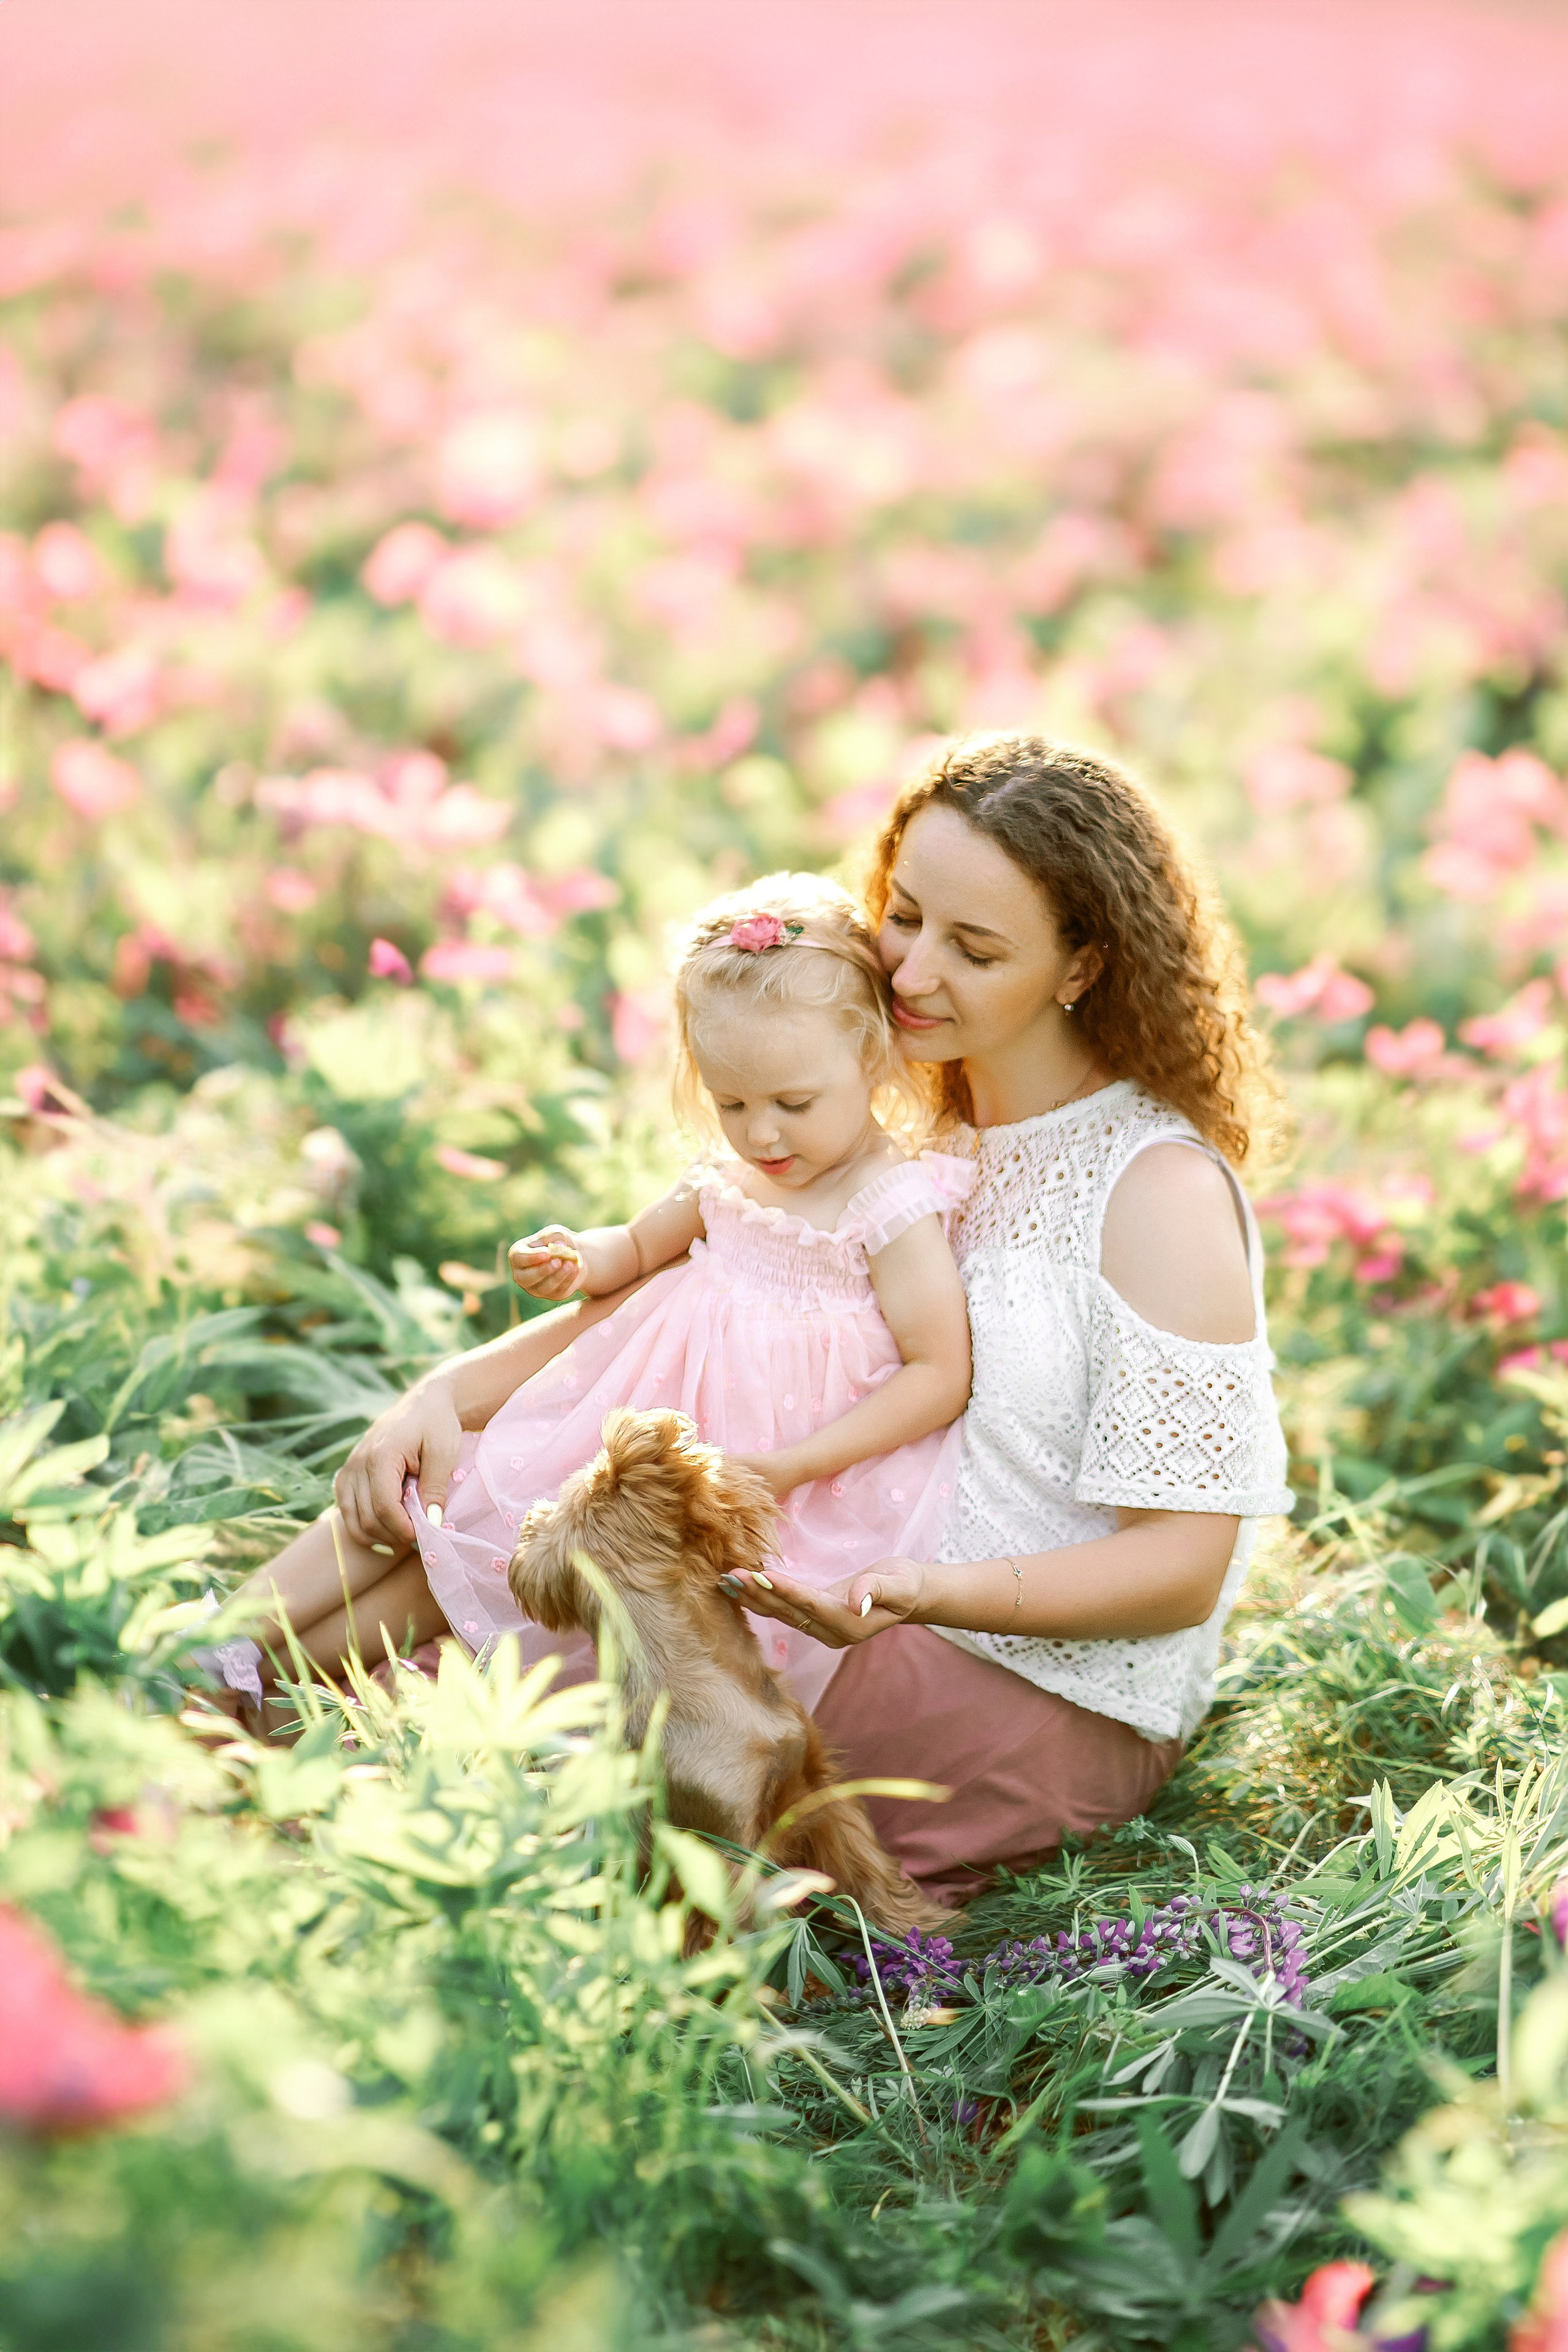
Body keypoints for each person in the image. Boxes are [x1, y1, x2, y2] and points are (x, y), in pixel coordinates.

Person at [729, 734, 1294, 1902]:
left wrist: (922, 1593)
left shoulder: (1155, 1191)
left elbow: (1183, 1566)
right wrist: (455, 1393)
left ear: (1082, 966)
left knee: (571, 1643)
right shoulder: (913, 1132)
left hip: (1040, 1686)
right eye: (904, 917)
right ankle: (248, 1674)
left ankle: (258, 1709)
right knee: (506, 1493)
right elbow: (716, 1273)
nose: (912, 974)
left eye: (975, 950)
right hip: (866, 1592)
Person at [233, 873, 974, 1713]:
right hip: (611, 1415)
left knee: (462, 1577)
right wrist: (578, 1260)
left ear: (872, 1055)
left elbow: (939, 1372)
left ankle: (267, 1678)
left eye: (794, 1103)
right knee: (438, 1502)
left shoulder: (888, 1202)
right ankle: (225, 1638)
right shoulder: (732, 1177)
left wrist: (791, 1468)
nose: (761, 1132)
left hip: (746, 1468)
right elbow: (635, 1247)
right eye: (731, 1102)